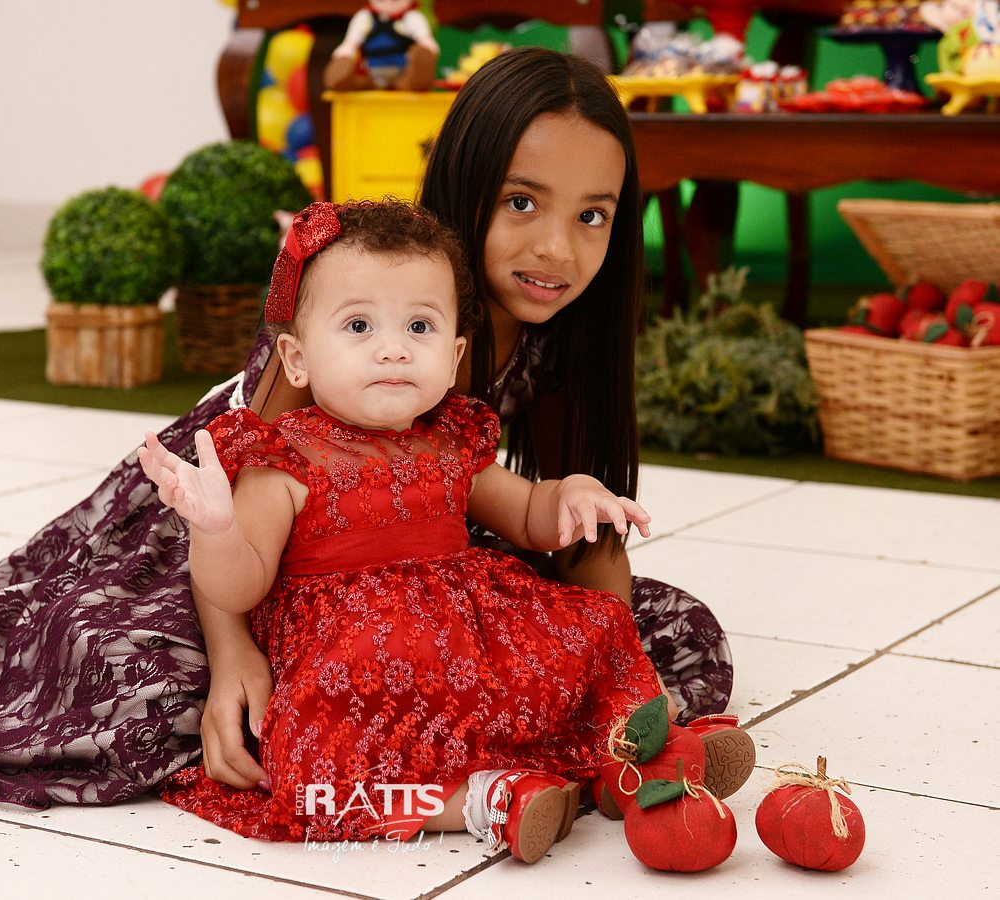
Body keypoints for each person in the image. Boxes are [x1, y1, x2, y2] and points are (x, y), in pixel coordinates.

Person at [0, 47, 738, 812]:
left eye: (593, 216)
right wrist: (235, 649)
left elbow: (537, 516)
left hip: (398, 546)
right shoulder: (371, 287)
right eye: (521, 203)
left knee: (663, 628)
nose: (557, 248)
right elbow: (253, 483)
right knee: (177, 706)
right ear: (467, 179)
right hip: (228, 527)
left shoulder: (555, 331)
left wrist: (582, 602)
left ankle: (615, 735)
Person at [145, 199, 665, 863]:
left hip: (469, 638)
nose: (393, 348)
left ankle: (627, 758)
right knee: (309, 771)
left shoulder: (451, 439)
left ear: (453, 357)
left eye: (419, 326)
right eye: (358, 325)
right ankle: (481, 801)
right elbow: (241, 585)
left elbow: (525, 513)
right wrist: (216, 532)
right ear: (297, 359)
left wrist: (570, 494)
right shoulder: (284, 458)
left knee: (588, 628)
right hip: (352, 660)